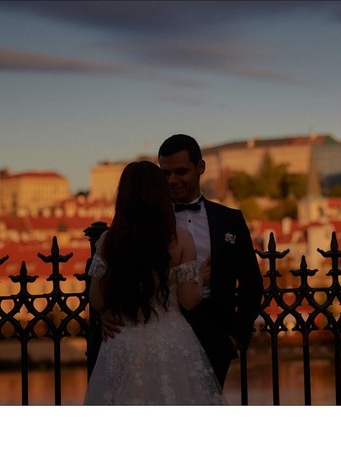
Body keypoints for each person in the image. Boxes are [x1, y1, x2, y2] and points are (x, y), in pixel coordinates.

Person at [101, 134, 264, 387]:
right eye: (165, 173)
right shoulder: (143, 223)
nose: (172, 180)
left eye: (181, 171)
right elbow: (123, 271)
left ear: (200, 168)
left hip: (215, 333)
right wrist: (108, 311)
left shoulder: (230, 220)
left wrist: (236, 336)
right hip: (161, 330)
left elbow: (252, 282)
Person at [84, 160, 224, 405]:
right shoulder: (181, 239)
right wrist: (200, 278)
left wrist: (109, 312)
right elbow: (189, 301)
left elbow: (96, 299)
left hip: (122, 341)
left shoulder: (108, 240)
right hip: (171, 341)